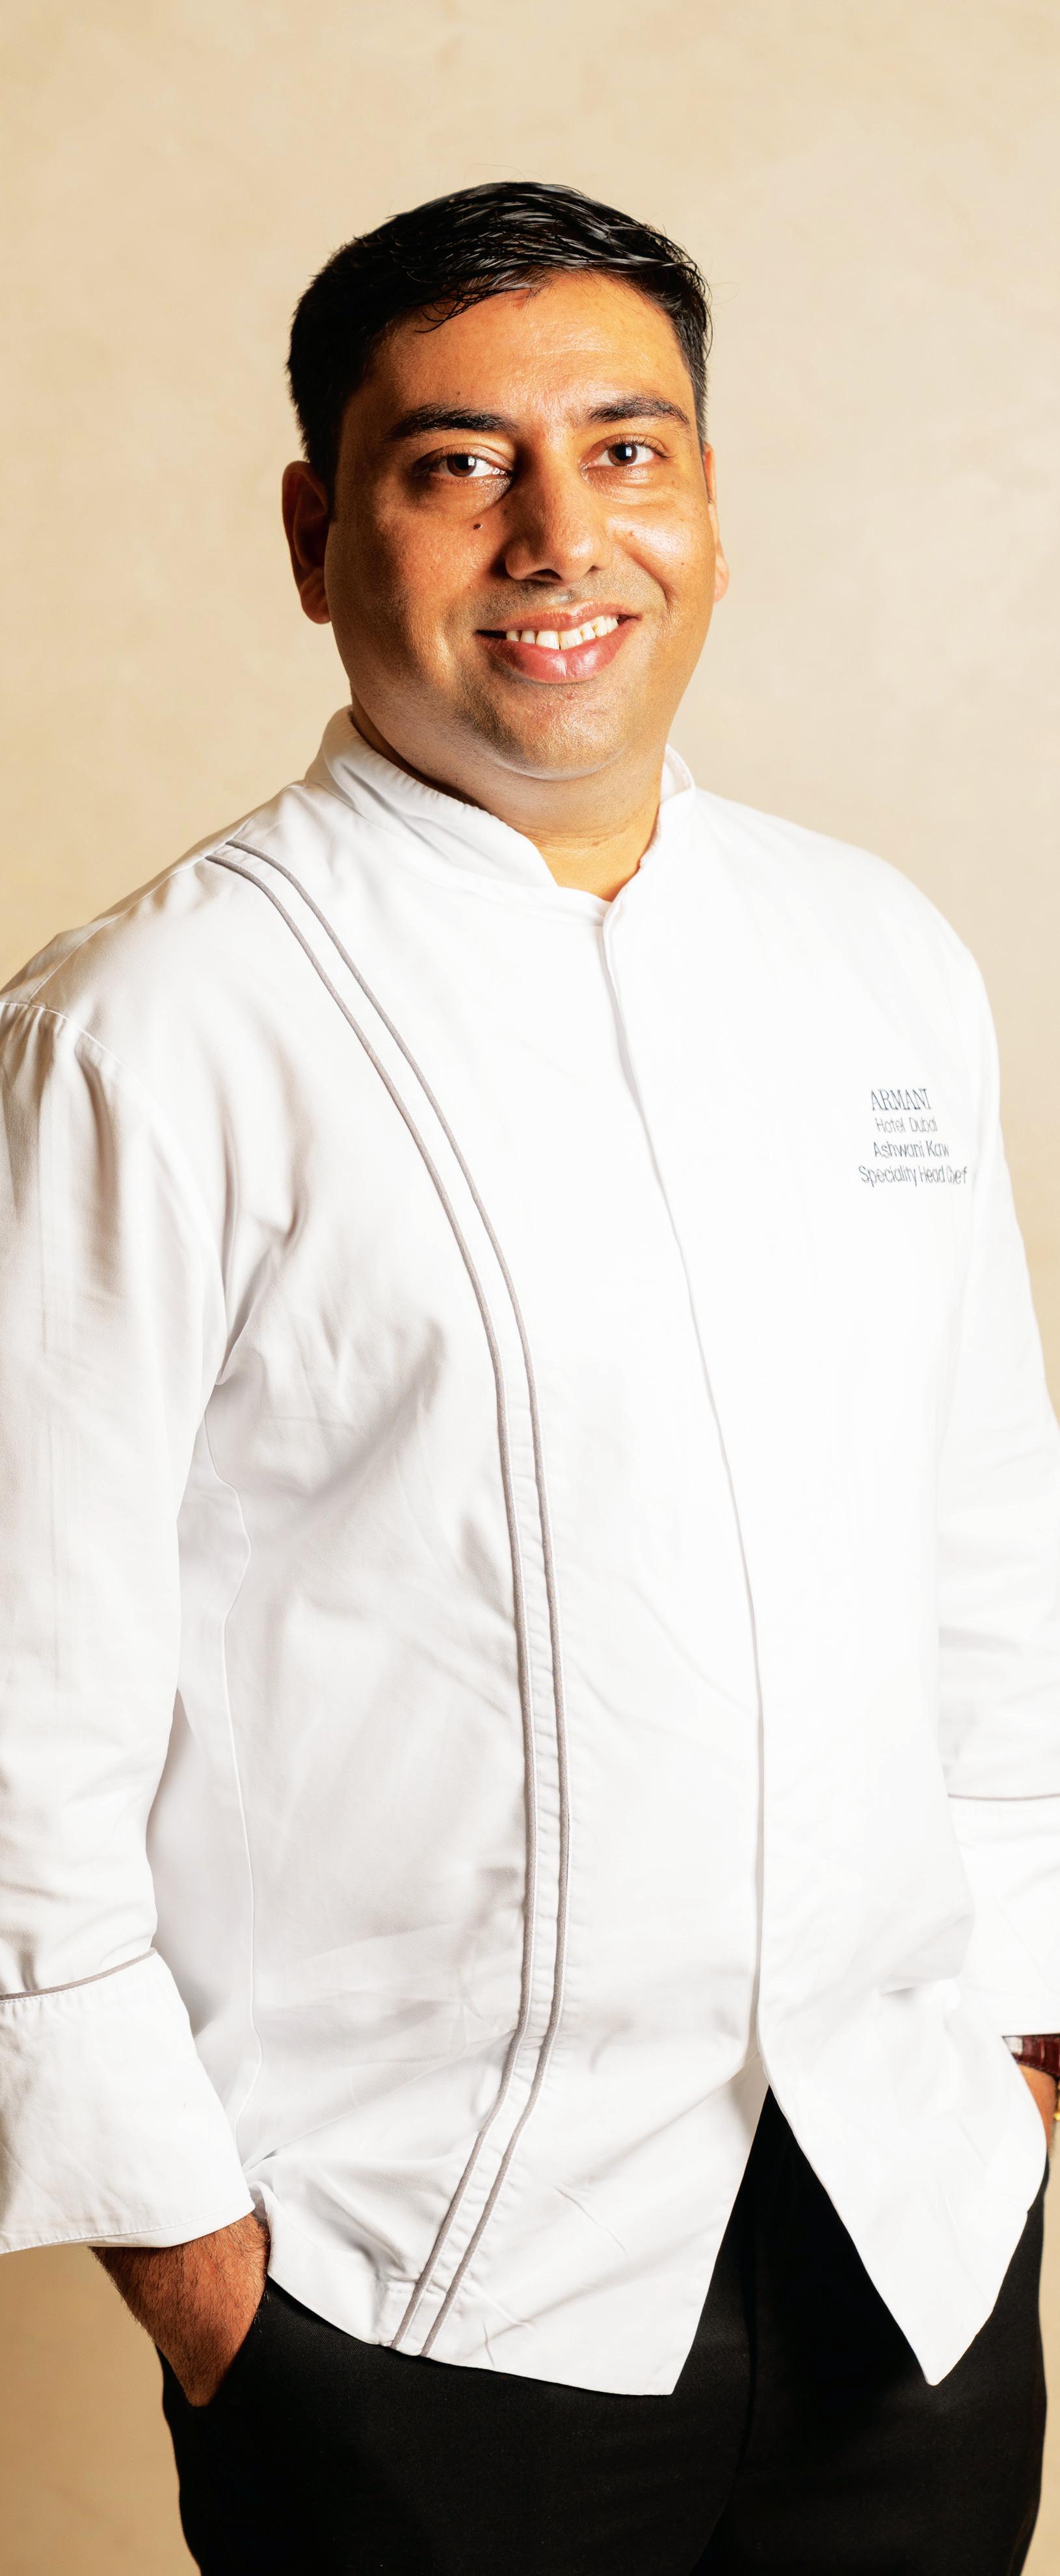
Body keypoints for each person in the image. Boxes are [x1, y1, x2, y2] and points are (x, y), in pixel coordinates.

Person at [1, 180, 1057, 2576]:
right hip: (410, 2294)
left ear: (711, 501)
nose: (560, 536)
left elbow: (991, 1544)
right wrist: (207, 2285)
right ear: (317, 534)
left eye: (628, 449)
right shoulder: (153, 1031)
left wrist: (1019, 2050)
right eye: (459, 461)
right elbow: (21, 1711)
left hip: (912, 2245)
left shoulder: (877, 954)